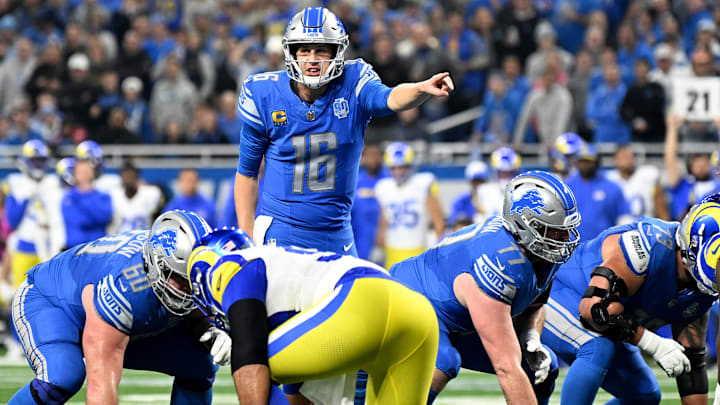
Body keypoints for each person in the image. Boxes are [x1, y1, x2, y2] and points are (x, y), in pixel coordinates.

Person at [234, 6, 454, 256]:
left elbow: (389, 97)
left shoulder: (354, 81)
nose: (313, 59)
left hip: (336, 232)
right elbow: (247, 173)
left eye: (321, 50)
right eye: (305, 50)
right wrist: (246, 234)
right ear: (291, 52)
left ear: (337, 52)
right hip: (282, 230)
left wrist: (421, 89)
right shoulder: (265, 94)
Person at [186, 228, 439, 405]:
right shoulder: (288, 280)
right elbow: (298, 394)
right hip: (417, 315)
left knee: (254, 362)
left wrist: (241, 347)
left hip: (361, 302)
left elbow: (251, 349)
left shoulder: (229, 268)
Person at [391, 170, 582, 404]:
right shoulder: (498, 261)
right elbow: (506, 368)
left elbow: (534, 303)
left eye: (566, 230)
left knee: (544, 368)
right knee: (443, 362)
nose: (564, 238)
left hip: (455, 315)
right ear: (525, 225)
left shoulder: (541, 251)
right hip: (411, 298)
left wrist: (531, 336)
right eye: (554, 230)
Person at [8, 210, 230, 405]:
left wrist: (209, 329)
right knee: (63, 375)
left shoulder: (185, 269)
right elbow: (100, 388)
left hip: (122, 311)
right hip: (51, 300)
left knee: (199, 363)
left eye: (193, 279)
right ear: (156, 264)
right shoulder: (124, 286)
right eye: (180, 279)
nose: (188, 289)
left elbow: (195, 307)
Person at [541, 199, 720, 405]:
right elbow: (594, 310)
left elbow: (692, 366)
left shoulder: (703, 288)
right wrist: (652, 343)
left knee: (644, 396)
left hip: (607, 326)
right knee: (597, 347)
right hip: (560, 292)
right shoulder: (647, 246)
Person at [375, 142, 444, 269]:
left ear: (411, 165)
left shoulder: (424, 183)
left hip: (418, 249)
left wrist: (439, 245)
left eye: (403, 167)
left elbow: (438, 220)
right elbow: (384, 220)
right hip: (392, 250)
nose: (399, 172)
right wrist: (378, 246)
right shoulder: (383, 187)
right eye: (394, 167)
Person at [4, 140, 53, 288]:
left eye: (41, 160)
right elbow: (12, 221)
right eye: (34, 160)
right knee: (20, 296)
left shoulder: (53, 182)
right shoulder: (16, 182)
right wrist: (25, 198)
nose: (38, 165)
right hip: (24, 247)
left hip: (49, 246)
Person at [565, 143, 631, 240]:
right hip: (572, 245)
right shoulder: (566, 187)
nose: (585, 165)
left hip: (602, 246)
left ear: (597, 162)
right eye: (582, 161)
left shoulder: (612, 187)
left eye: (589, 161)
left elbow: (624, 218)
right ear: (577, 162)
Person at [61, 159, 113, 248]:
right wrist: (95, 222)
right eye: (81, 172)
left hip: (98, 248)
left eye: (87, 171)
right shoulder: (68, 197)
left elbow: (104, 217)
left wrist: (87, 195)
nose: (84, 175)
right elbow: (77, 221)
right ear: (75, 175)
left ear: (93, 173)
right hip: (74, 249)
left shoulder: (104, 196)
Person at [351, 142, 388, 262]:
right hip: (360, 244)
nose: (373, 159)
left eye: (376, 155)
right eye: (369, 155)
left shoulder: (390, 182)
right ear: (363, 158)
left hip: (386, 245)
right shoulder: (355, 182)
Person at [107, 160, 164, 234]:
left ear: (137, 177)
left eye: (131, 176)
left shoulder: (149, 193)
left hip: (142, 240)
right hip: (118, 241)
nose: (128, 179)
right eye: (126, 176)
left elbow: (162, 202)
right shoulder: (113, 195)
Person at [447, 160, 489, 226]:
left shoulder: (493, 199)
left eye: (481, 181)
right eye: (475, 181)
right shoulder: (461, 201)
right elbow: (455, 224)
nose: (478, 184)